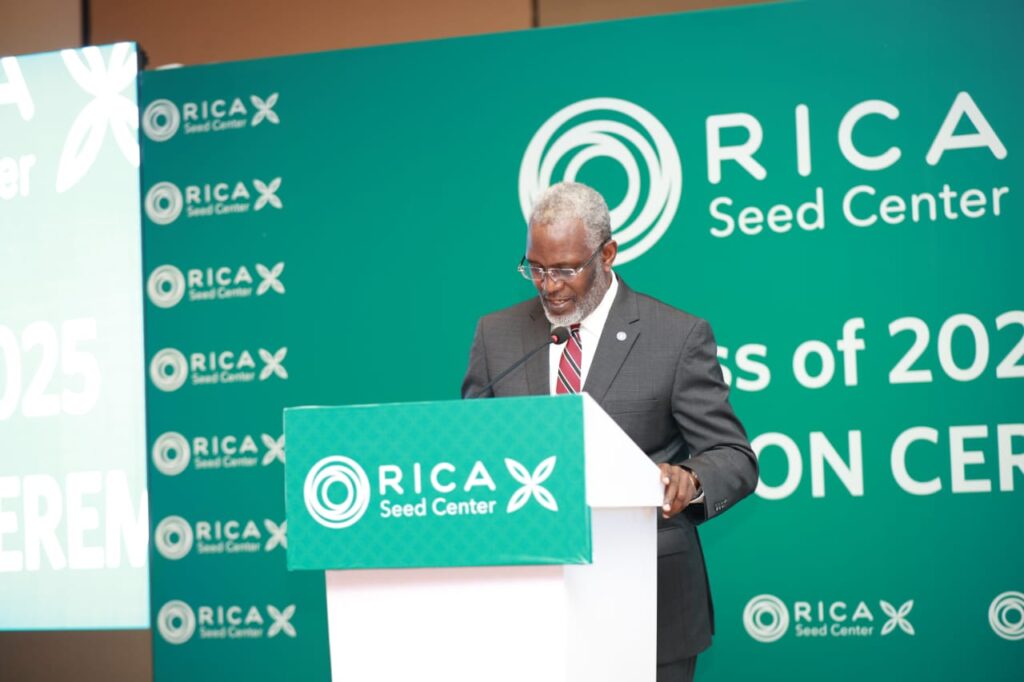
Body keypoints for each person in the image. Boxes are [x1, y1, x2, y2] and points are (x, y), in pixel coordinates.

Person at [461, 181, 758, 682]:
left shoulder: (676, 336)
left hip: (649, 599)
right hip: (528, 599)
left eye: (565, 270)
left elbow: (733, 456)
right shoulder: (497, 335)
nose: (548, 285)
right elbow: (470, 450)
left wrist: (689, 479)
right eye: (536, 268)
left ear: (607, 254)